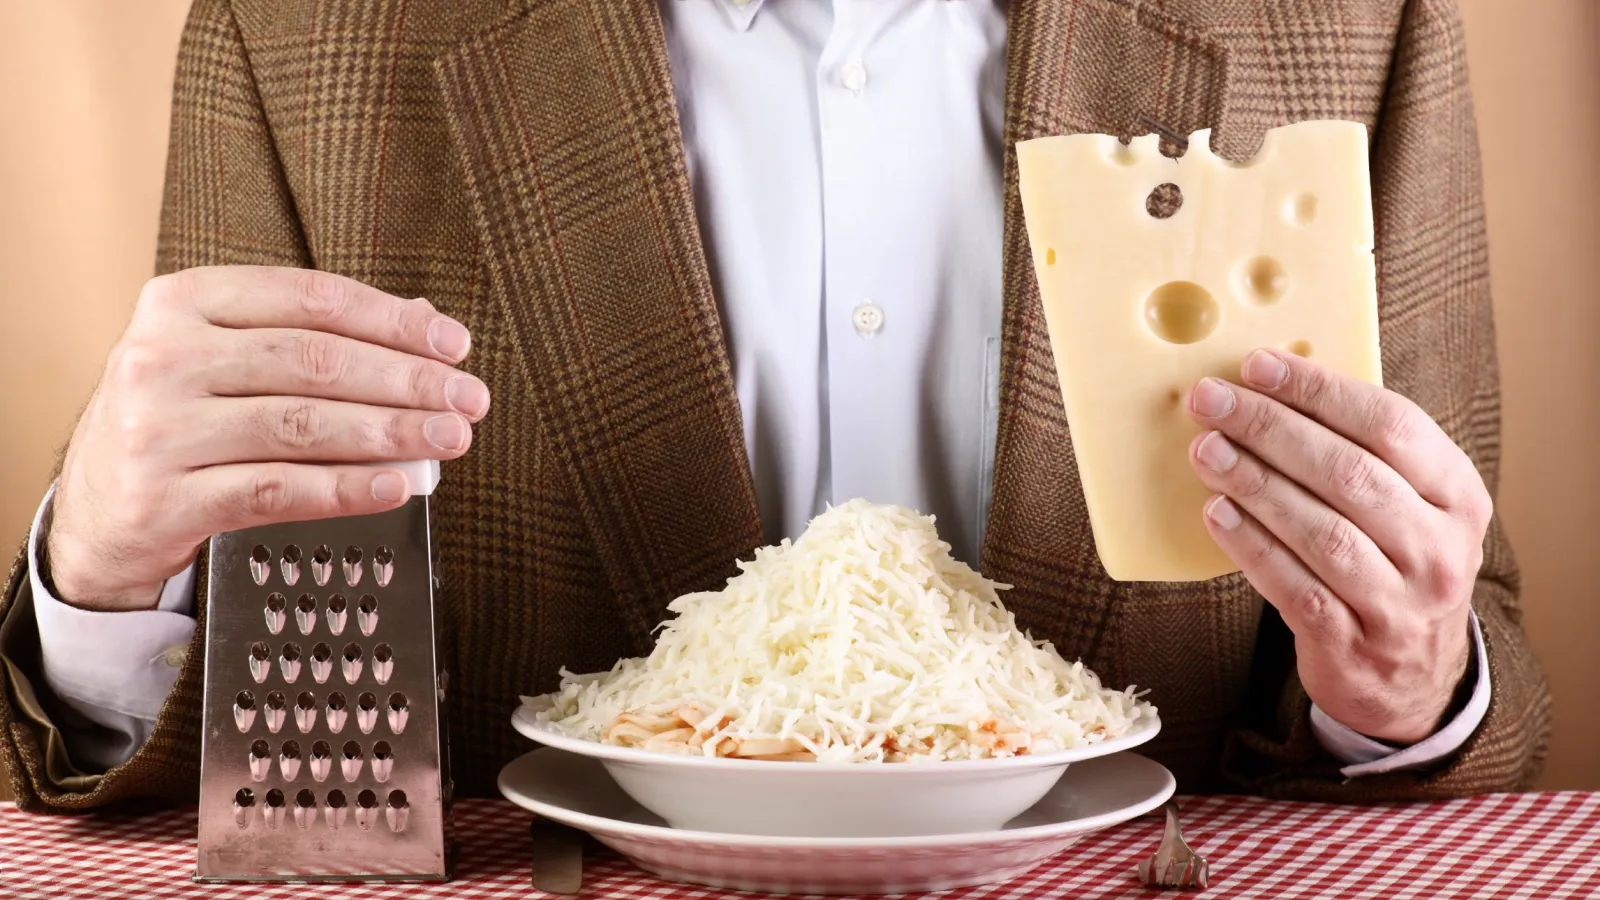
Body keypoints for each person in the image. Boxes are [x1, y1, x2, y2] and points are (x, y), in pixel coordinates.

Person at [0, 0, 1549, 810]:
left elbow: (1459, 641)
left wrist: (1404, 686)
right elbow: (271, 772)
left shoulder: (1354, 16)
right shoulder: (300, 33)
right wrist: (108, 594)